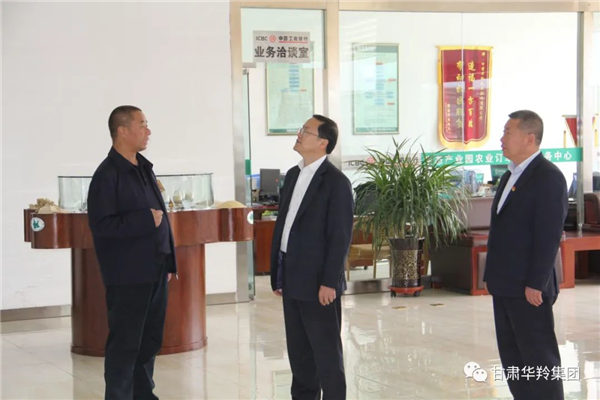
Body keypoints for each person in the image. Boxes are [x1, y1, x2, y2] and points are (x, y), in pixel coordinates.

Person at [87, 105, 177, 399]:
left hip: (155, 270)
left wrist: (168, 261)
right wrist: (144, 220)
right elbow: (102, 226)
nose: (148, 130)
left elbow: (161, 217)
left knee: (149, 342)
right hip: (127, 275)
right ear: (122, 131)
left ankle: (143, 395)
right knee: (125, 344)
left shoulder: (144, 168)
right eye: (142, 124)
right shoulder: (107, 175)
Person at [484, 110, 567, 400]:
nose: (502, 138)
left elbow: (548, 236)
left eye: (508, 132)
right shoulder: (510, 174)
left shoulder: (548, 177)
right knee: (514, 359)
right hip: (505, 284)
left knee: (539, 358)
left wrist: (536, 283)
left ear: (529, 138)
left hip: (529, 289)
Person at [270, 115, 354, 400]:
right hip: (291, 277)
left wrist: (329, 281)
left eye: (306, 131)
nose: (299, 134)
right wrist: (278, 274)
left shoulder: (336, 183)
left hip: (319, 283)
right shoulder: (293, 175)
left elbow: (340, 237)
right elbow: (285, 227)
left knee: (327, 356)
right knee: (300, 356)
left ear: (322, 143)